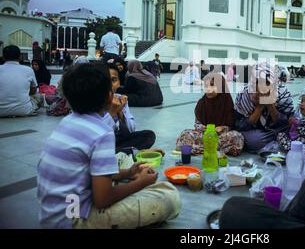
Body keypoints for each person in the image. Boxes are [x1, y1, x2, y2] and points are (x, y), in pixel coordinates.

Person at [37, 62, 180, 228]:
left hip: (51, 215)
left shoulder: (67, 121)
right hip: (74, 219)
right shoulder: (102, 132)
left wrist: (128, 172)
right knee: (169, 196)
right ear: (108, 96)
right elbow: (102, 200)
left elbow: (87, 169)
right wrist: (141, 183)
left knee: (122, 161)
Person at [176, 73, 244, 156]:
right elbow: (197, 124)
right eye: (206, 86)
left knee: (237, 136)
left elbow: (231, 125)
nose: (208, 89)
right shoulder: (201, 103)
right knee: (185, 134)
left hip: (220, 137)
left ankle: (202, 149)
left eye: (212, 85)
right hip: (204, 136)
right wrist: (206, 129)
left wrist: (223, 128)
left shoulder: (227, 102)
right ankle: (215, 150)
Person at [234, 62, 294, 153]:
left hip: (277, 129)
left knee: (293, 128)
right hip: (257, 132)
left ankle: (278, 140)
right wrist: (260, 107)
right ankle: (278, 141)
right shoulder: (244, 95)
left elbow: (286, 122)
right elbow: (239, 126)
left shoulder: (282, 94)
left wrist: (270, 105)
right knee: (253, 140)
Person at [105, 63, 158, 152]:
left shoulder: (120, 98)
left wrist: (120, 113)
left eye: (114, 80)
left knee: (149, 135)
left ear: (119, 82)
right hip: (102, 142)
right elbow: (96, 133)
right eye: (105, 81)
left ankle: (125, 151)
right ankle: (128, 151)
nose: (110, 85)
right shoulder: (97, 102)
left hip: (117, 140)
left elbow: (131, 130)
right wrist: (112, 113)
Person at [0, 45, 43, 117]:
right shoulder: (28, 70)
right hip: (24, 110)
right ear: (20, 57)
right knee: (39, 97)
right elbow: (33, 90)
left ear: (3, 57)